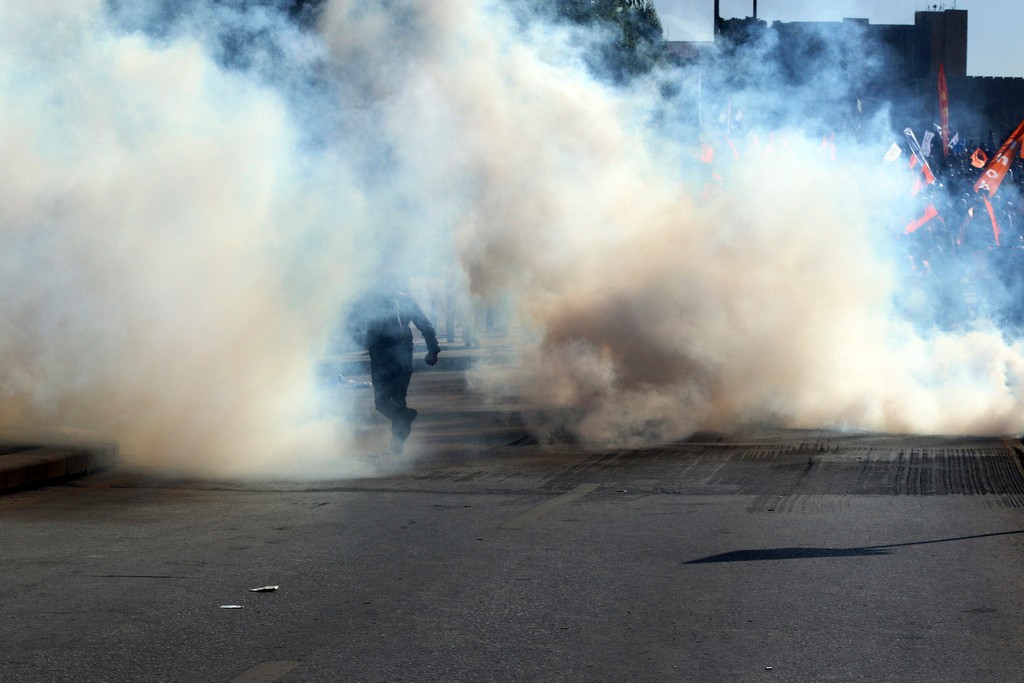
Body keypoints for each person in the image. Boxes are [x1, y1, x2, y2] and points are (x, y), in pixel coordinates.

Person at [347, 275, 440, 453]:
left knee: (382, 402)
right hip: (404, 356)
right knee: (399, 401)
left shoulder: (370, 302)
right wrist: (432, 350)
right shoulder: (406, 300)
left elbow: (352, 324)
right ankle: (398, 442)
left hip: (381, 358)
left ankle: (402, 426)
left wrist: (362, 341)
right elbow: (426, 326)